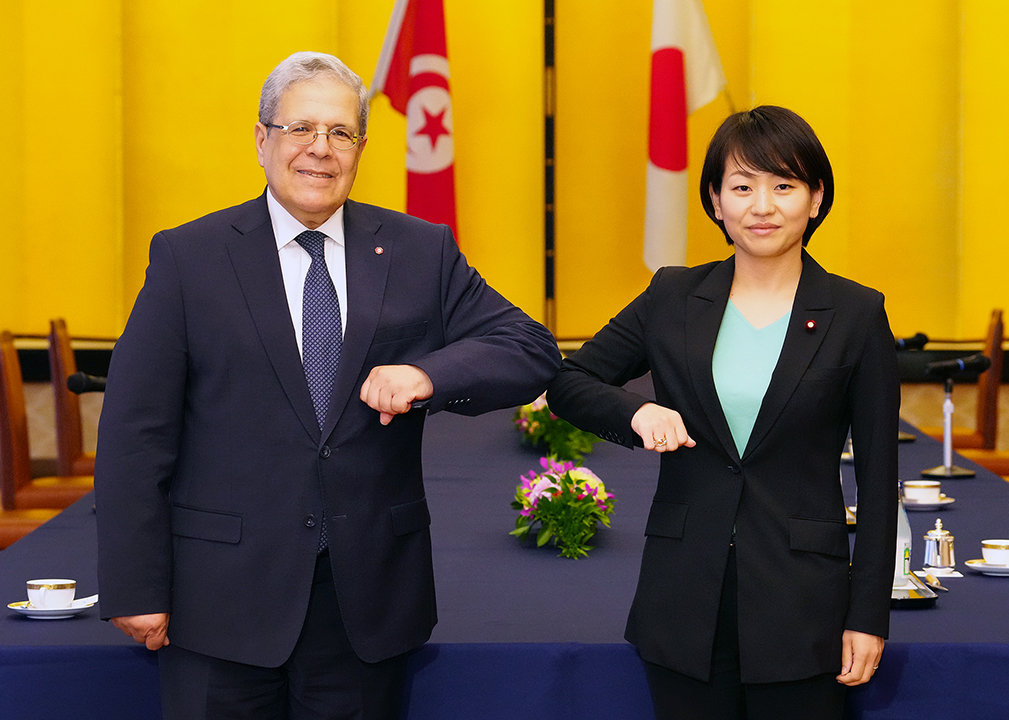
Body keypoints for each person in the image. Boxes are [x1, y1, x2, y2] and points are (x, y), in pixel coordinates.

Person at [94, 51, 561, 720]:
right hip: (217, 603)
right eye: (299, 129)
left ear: (362, 147)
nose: (320, 149)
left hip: (363, 605)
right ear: (261, 140)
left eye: (340, 133)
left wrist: (427, 374)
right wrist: (135, 584)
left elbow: (529, 350)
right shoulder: (188, 258)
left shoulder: (418, 250)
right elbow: (136, 434)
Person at [546, 106, 898, 719]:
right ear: (715, 201)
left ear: (815, 198)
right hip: (682, 597)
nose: (761, 205)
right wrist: (636, 415)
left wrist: (867, 616)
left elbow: (877, 476)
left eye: (783, 186)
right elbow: (568, 379)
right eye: (742, 186)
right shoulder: (673, 295)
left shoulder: (857, 313)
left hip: (803, 605)